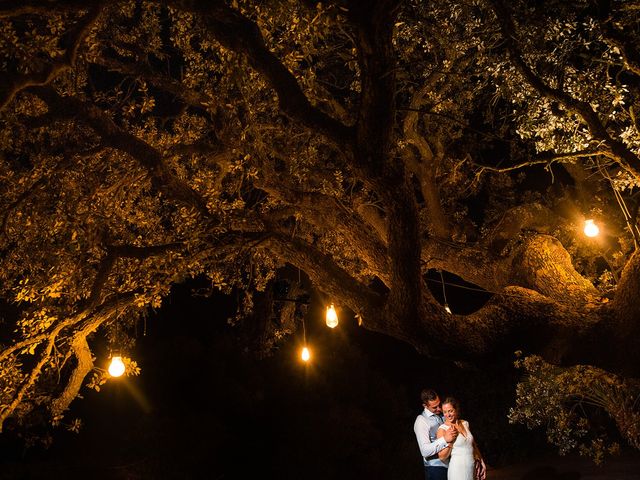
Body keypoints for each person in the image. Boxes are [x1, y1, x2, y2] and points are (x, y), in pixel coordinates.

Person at [436, 397, 486, 480]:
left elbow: (473, 445)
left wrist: (481, 460)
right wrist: (450, 442)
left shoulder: (465, 423)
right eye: (445, 412)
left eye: (450, 411)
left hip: (471, 468)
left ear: (456, 410)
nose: (448, 415)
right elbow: (442, 457)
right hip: (457, 471)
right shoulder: (442, 429)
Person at [414, 389, 459, 480]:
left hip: (452, 465)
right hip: (436, 469)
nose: (439, 408)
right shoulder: (421, 420)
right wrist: (445, 439)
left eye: (439, 404)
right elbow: (424, 451)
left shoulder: (443, 415)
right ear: (425, 406)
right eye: (434, 407)